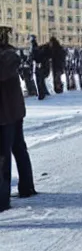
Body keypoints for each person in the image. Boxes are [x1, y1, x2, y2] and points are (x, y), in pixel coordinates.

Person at [0, 26, 36, 212]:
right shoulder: (9, 55)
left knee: (5, 155)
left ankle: (2, 200)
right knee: (17, 148)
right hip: (11, 112)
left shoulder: (8, 56)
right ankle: (26, 187)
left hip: (7, 114)